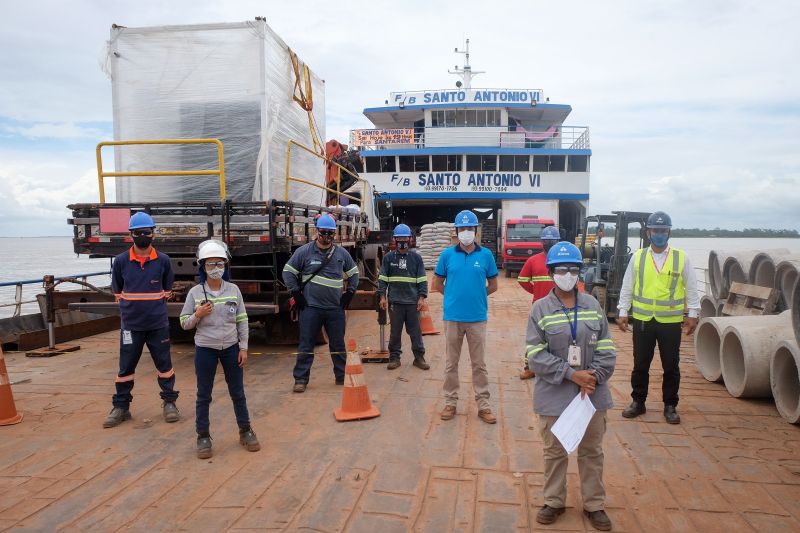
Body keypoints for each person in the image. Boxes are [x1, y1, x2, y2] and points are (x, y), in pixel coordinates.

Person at [526, 241, 616, 531]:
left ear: (581, 272)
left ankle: (594, 505)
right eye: (561, 269)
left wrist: (595, 377)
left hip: (591, 394)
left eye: (573, 269)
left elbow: (607, 348)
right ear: (551, 272)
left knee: (592, 451)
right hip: (554, 394)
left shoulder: (592, 305)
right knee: (555, 451)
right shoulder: (540, 309)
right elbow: (534, 355)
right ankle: (553, 501)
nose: (567, 274)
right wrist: (570, 374)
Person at [617, 211, 700, 424]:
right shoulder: (638, 256)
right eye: (656, 231)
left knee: (671, 365)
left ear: (669, 232)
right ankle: (638, 402)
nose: (659, 234)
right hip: (644, 320)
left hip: (670, 323)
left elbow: (691, 288)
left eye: (663, 231)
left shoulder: (681, 258)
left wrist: (693, 314)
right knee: (640, 364)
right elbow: (628, 285)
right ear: (648, 232)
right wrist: (622, 311)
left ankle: (670, 405)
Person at [179, 240, 260, 459]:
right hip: (205, 349)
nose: (216, 269)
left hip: (231, 349)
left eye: (220, 264)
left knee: (238, 393)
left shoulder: (234, 290)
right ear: (202, 267)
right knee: (203, 395)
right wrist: (197, 315)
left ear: (226, 265)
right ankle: (203, 436)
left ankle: (246, 430)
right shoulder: (195, 293)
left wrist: (243, 347)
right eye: (210, 264)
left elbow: (242, 320)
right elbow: (184, 322)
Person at [103, 212, 179, 428]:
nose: (143, 236)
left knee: (165, 365)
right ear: (131, 235)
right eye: (138, 233)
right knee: (125, 367)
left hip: (157, 324)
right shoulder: (120, 262)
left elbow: (167, 288)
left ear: (153, 234)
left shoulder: (163, 261)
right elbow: (117, 290)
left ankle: (169, 403)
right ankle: (121, 407)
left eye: (146, 232)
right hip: (131, 325)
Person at [432, 210, 499, 424]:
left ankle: (484, 406)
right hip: (452, 318)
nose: (467, 232)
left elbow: (494, 285)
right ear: (456, 231)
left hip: (477, 318)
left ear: (476, 231)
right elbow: (436, 284)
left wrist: (478, 296)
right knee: (451, 363)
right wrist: (453, 296)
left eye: (470, 228)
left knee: (479, 364)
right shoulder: (447, 255)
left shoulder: (486, 255)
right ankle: (450, 403)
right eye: (463, 228)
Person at [282, 213, 359, 393]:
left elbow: (354, 273)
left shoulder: (341, 253)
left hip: (335, 309)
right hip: (311, 309)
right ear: (317, 232)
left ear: (335, 234)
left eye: (330, 234)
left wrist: (350, 292)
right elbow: (288, 272)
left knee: (338, 344)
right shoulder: (305, 252)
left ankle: (341, 376)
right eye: (323, 233)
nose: (326, 237)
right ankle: (301, 379)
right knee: (306, 344)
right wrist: (295, 292)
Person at [378, 224, 430, 371]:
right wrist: (382, 296)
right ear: (394, 239)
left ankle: (419, 358)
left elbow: (422, 280)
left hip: (413, 303)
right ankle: (394, 358)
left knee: (416, 332)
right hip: (395, 302)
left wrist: (421, 298)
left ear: (410, 239)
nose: (402, 240)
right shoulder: (388, 258)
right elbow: (382, 279)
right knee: (395, 332)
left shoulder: (416, 258)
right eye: (399, 238)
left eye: (404, 238)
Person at [517, 225, 561, 379]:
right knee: (535, 338)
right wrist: (535, 292)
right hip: (539, 306)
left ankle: (557, 368)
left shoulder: (562, 260)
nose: (549, 242)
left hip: (560, 306)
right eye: (546, 240)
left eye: (552, 240)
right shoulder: (533, 260)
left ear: (558, 241)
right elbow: (522, 280)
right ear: (542, 242)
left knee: (559, 337)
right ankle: (530, 367)